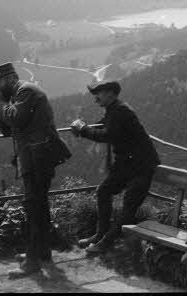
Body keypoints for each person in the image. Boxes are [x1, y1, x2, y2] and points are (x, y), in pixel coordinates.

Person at [0, 62, 59, 278]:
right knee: (38, 206)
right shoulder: (19, 95)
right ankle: (42, 252)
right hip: (33, 157)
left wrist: (0, 102)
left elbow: (15, 118)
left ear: (8, 79)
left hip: (38, 158)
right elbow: (10, 129)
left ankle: (32, 262)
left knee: (34, 207)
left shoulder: (26, 91)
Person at [69, 80, 161, 256]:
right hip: (128, 164)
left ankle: (106, 242)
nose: (95, 98)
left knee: (129, 206)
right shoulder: (115, 110)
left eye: (99, 93)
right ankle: (100, 234)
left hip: (141, 166)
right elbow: (106, 126)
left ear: (111, 93)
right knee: (103, 191)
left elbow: (107, 135)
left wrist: (83, 129)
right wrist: (84, 127)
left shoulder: (121, 111)